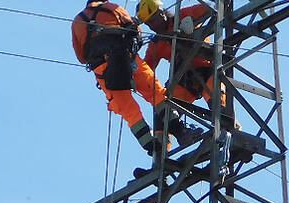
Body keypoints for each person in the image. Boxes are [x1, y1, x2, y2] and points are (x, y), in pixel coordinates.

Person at [72, 0, 201, 154]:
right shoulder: (112, 8)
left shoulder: (77, 22)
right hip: (127, 58)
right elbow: (136, 31)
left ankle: (155, 151)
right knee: (157, 94)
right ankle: (181, 132)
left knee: (130, 112)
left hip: (102, 70)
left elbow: (81, 57)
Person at [135, 0, 227, 112]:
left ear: (161, 13)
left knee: (217, 102)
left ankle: (225, 122)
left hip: (207, 68)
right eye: (148, 24)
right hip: (184, 78)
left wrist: (190, 22)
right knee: (168, 112)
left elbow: (212, 7)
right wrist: (131, 77)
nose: (152, 27)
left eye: (153, 21)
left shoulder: (182, 15)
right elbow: (147, 68)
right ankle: (176, 128)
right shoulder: (156, 44)